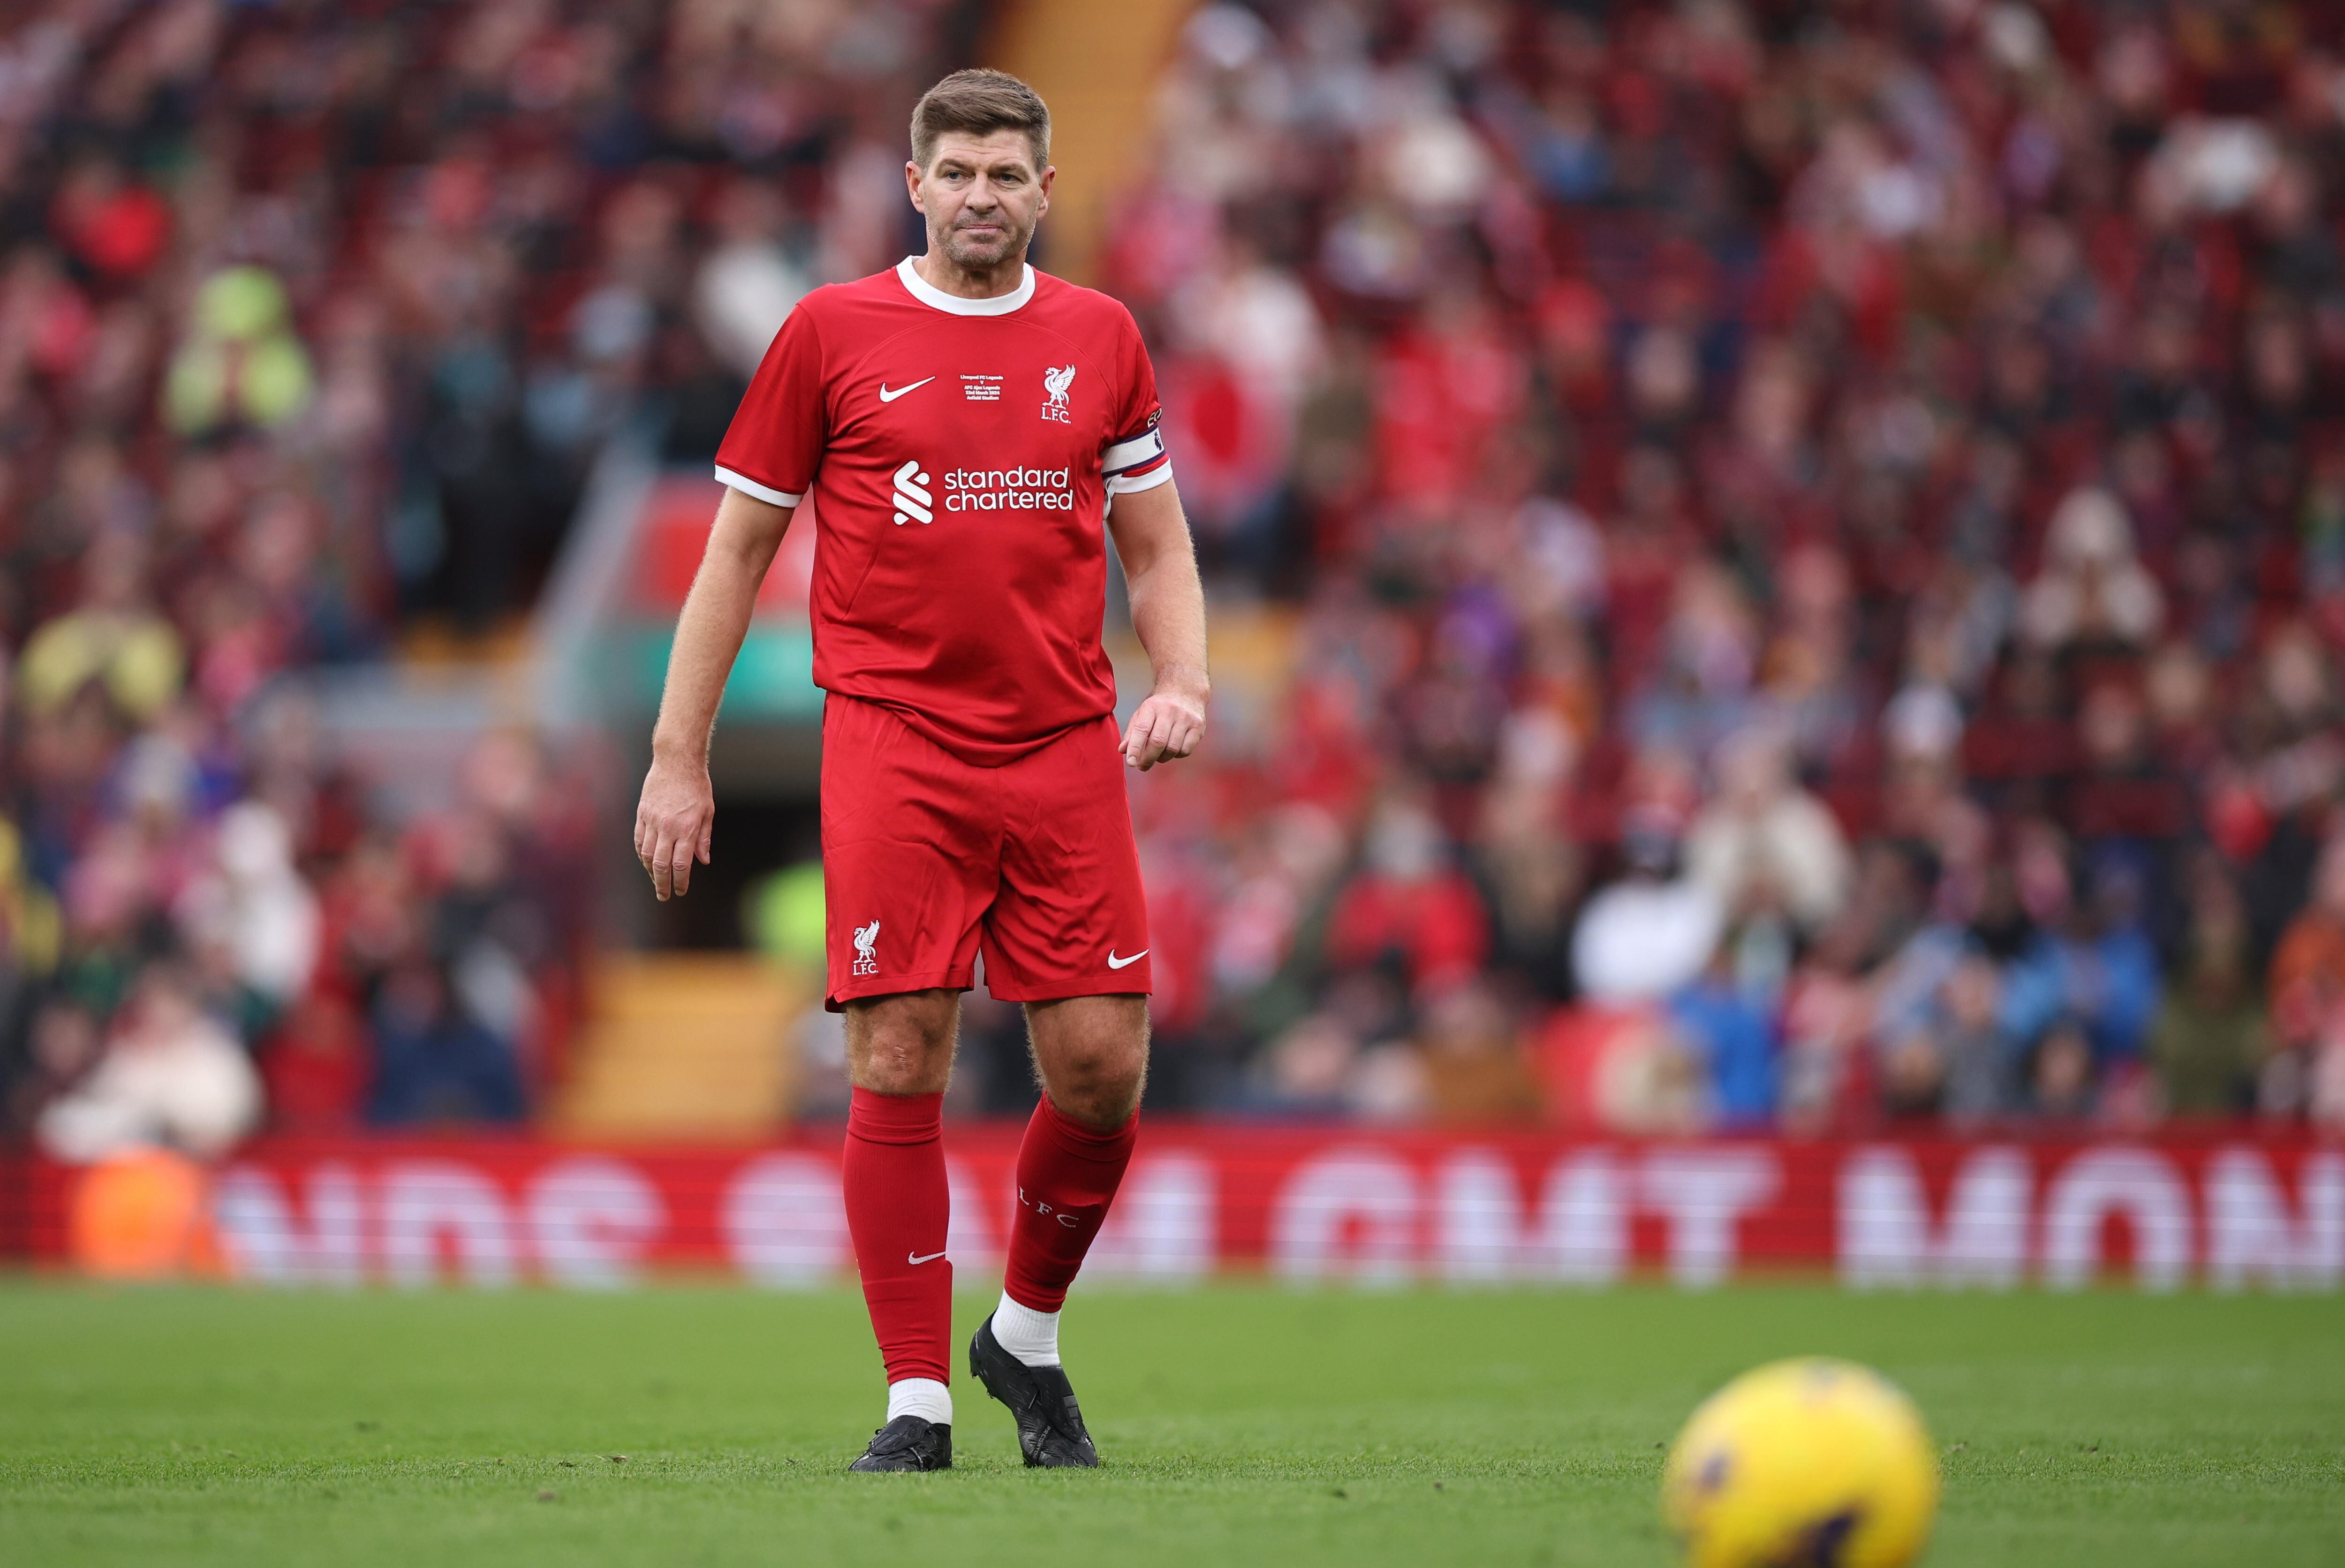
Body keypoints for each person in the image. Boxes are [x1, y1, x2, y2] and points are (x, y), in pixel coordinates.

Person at [632, 70, 1208, 1474]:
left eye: (1007, 175)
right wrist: (676, 758)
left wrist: (1183, 678)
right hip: (894, 740)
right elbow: (736, 553)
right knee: (899, 1051)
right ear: (915, 185)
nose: (981, 197)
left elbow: (1158, 543)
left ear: (1046, 192)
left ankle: (1023, 1333)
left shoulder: (1101, 337)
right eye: (956, 172)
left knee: (1100, 1072)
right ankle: (917, 1400)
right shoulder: (830, 334)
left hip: (1065, 740)